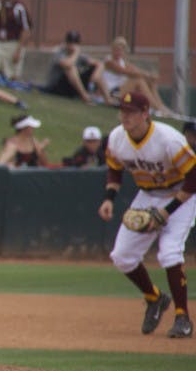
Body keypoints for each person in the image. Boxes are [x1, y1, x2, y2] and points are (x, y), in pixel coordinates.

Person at [98, 92, 194, 338]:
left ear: (145, 114)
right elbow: (114, 168)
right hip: (147, 194)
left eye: (131, 112)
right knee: (122, 256)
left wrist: (168, 211)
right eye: (123, 111)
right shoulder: (118, 138)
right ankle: (155, 298)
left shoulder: (168, 139)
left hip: (181, 194)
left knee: (170, 251)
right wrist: (109, 198)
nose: (125, 116)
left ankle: (183, 317)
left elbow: (194, 176)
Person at [40, 30, 114, 105]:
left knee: (95, 67)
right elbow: (67, 64)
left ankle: (108, 100)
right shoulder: (60, 52)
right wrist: (76, 53)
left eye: (75, 43)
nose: (72, 45)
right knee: (70, 68)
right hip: (56, 87)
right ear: (66, 43)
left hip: (71, 88)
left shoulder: (79, 55)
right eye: (70, 42)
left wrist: (96, 75)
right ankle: (85, 97)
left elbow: (99, 63)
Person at [102, 37, 170, 113]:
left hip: (121, 89)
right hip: (112, 92)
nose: (118, 52)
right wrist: (147, 75)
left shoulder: (122, 62)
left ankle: (160, 105)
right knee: (138, 80)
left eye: (121, 50)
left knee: (148, 81)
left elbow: (135, 69)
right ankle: (157, 108)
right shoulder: (109, 61)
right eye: (116, 50)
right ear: (112, 49)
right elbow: (125, 71)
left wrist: (150, 76)